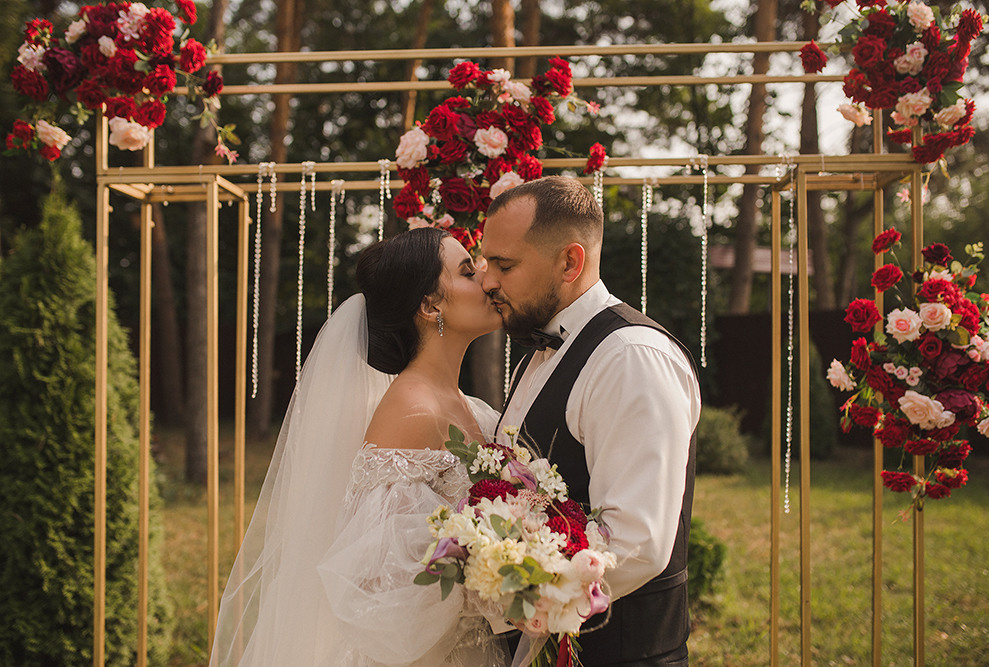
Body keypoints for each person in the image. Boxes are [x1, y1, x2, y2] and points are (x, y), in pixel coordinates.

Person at [210, 227, 508, 666]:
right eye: (467, 272)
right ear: (430, 306)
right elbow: (377, 585)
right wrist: (499, 576)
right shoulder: (412, 411)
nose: (486, 279)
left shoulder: (471, 408)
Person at [481, 176, 701, 666]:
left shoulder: (631, 358)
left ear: (570, 261)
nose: (487, 280)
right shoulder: (540, 350)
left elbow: (635, 544)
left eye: (505, 264)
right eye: (486, 262)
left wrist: (501, 591)